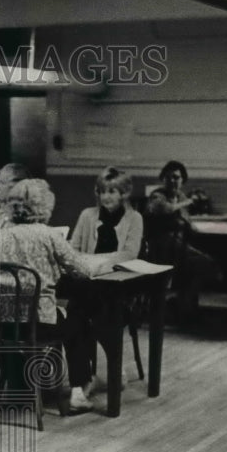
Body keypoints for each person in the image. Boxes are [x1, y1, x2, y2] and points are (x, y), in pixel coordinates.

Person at [0, 178, 108, 414]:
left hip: (2, 325)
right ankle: (77, 394)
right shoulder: (49, 235)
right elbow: (81, 270)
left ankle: (10, 386)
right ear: (43, 208)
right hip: (39, 324)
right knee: (78, 323)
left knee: (67, 321)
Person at [65, 167, 145, 409]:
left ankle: (110, 367)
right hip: (88, 281)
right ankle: (79, 385)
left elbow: (130, 253)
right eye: (102, 192)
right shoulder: (87, 215)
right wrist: (84, 263)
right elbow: (74, 247)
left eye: (112, 191)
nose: (106, 197)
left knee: (95, 317)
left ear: (123, 194)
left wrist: (101, 261)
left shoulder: (134, 218)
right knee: (73, 321)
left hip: (119, 286)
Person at [145, 160, 221, 319]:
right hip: (160, 247)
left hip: (178, 246)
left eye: (177, 178)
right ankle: (182, 305)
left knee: (206, 262)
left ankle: (183, 304)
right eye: (169, 177)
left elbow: (186, 221)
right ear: (163, 179)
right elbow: (166, 209)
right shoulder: (157, 195)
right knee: (200, 263)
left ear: (182, 180)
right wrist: (189, 201)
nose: (173, 181)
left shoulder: (180, 196)